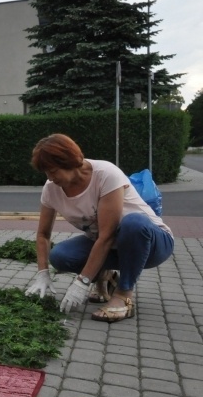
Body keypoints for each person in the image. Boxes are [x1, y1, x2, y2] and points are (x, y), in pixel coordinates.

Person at [25, 134, 174, 323]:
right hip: (110, 246)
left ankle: (123, 295)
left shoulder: (105, 174)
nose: (50, 178)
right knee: (61, 256)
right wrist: (42, 273)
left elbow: (107, 235)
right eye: (46, 172)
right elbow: (43, 234)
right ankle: (105, 277)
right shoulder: (51, 189)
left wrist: (82, 281)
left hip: (152, 244)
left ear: (70, 162)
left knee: (133, 223)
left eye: (53, 171)